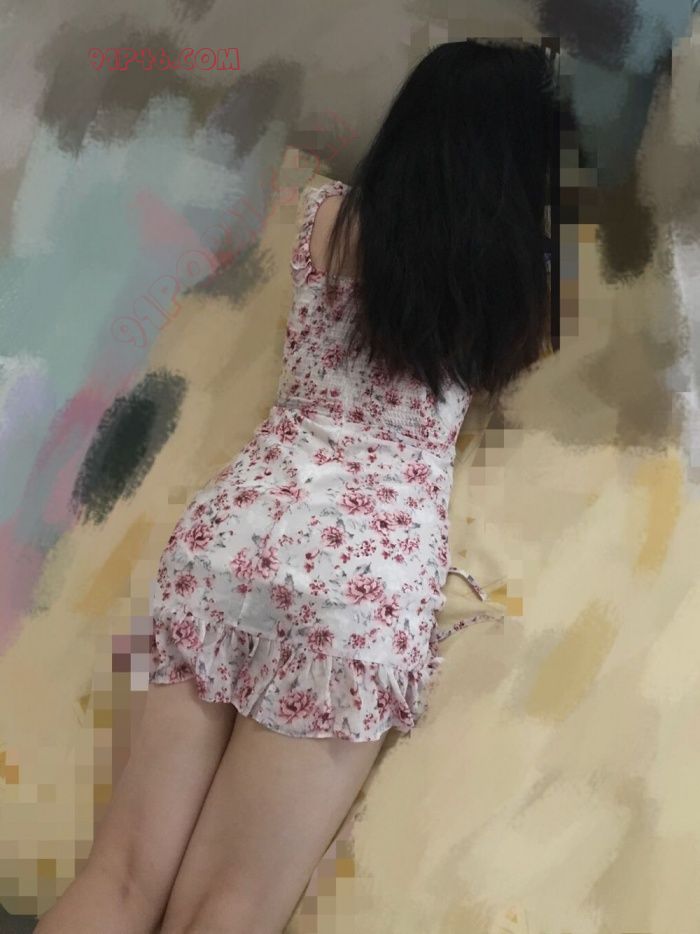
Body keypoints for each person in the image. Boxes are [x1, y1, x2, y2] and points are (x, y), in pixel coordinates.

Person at [36, 37, 557, 934]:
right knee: (228, 910)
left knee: (120, 877)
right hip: (357, 584)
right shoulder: (513, 277)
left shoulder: (326, 219)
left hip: (236, 534)